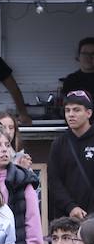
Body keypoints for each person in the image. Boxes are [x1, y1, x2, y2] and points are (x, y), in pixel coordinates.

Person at [47, 89, 94, 221]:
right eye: (67, 110)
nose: (71, 115)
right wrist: (71, 207)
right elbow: (53, 181)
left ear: (89, 113)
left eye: (76, 110)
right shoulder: (59, 144)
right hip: (67, 217)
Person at [60, 37, 94, 102]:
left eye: (93, 53)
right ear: (78, 56)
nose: (89, 57)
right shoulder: (70, 80)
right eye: (85, 53)